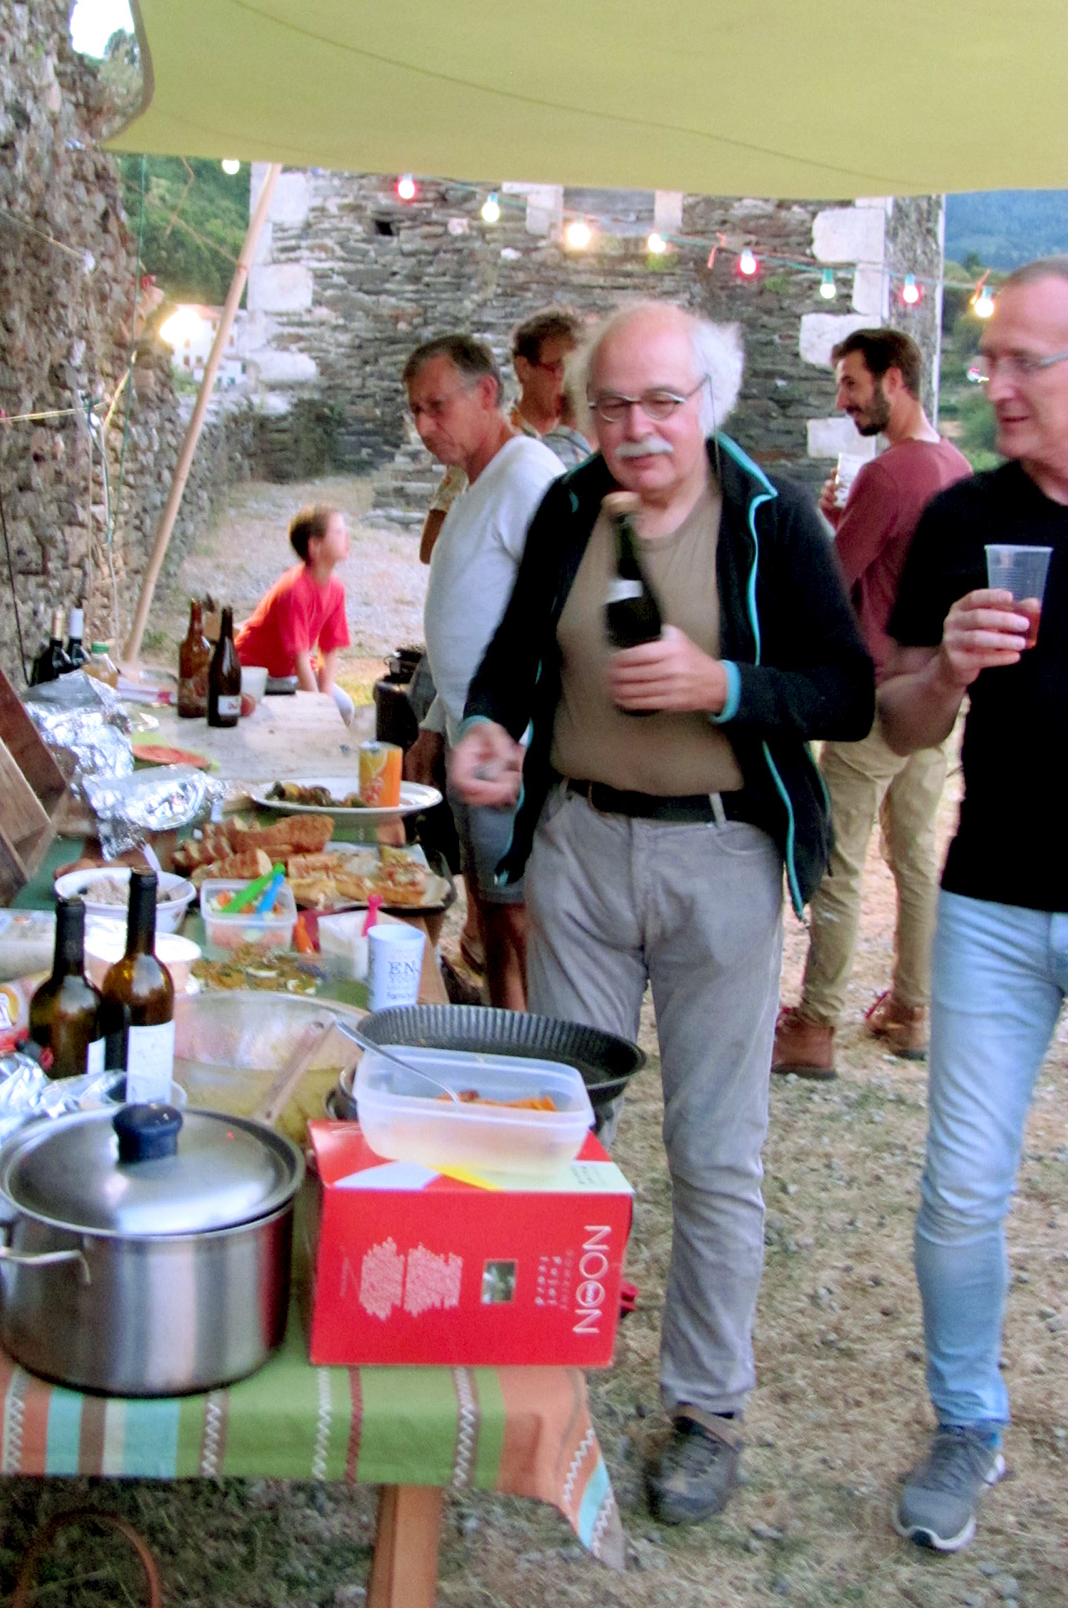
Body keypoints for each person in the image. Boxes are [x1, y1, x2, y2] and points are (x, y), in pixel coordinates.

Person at [450, 302, 874, 1523]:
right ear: (584, 410)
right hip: (579, 851)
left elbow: (843, 693)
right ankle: (538, 1375)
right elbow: (515, 656)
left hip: (720, 863)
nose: (635, 428)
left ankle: (705, 1409)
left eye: (660, 403)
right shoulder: (571, 505)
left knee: (714, 1149)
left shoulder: (770, 519)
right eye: (611, 405)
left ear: (708, 401)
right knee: (558, 1132)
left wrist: (724, 683)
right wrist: (489, 730)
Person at [878, 258, 1068, 1554]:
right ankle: (967, 1422)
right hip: (995, 899)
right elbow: (893, 719)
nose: (991, 383)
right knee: (959, 1192)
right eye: (988, 359)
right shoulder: (966, 516)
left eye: (1022, 363)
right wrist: (947, 665)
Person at [773, 329, 971, 1078]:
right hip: (938, 696)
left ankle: (815, 1025)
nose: (843, 400)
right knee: (918, 855)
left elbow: (829, 581)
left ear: (895, 379)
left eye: (852, 383)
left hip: (877, 694)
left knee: (839, 861)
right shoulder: (954, 465)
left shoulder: (889, 476)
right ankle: (914, 1010)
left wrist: (829, 525)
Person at [401, 333, 564, 1010]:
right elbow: (473, 627)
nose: (424, 426)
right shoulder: (473, 488)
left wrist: (529, 739)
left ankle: (532, 1059)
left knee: (516, 921)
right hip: (474, 735)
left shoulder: (527, 476)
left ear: (488, 394)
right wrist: (437, 723)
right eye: (416, 411)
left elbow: (560, 617)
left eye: (437, 406)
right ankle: (505, 1046)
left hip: (511, 746)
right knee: (490, 914)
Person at [418, 308, 581, 565]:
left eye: (579, 369)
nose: (571, 381)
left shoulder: (584, 444)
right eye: (560, 368)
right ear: (523, 368)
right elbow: (431, 548)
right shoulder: (486, 442)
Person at [234, 504, 354, 724]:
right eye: (338, 532)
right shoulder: (294, 590)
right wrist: (317, 707)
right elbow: (298, 657)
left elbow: (328, 649)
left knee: (343, 708)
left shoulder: (336, 589)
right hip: (256, 674)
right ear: (315, 547)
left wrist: (325, 697)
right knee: (305, 719)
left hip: (289, 673)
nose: (347, 537)